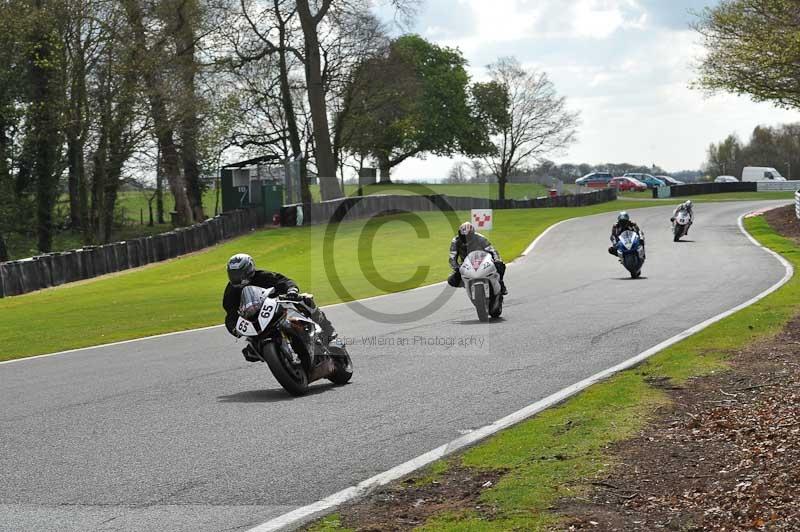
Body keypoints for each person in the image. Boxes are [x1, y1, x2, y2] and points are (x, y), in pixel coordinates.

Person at [222, 254, 337, 362]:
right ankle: (275, 355)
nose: (236, 278)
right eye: (233, 275)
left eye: (239, 274)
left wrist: (291, 290)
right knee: (250, 351)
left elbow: (284, 281)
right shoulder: (231, 291)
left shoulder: (262, 276)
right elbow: (231, 314)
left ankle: (327, 329)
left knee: (306, 300)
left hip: (277, 306)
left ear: (249, 269)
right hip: (256, 319)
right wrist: (234, 328)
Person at [447, 222, 508, 295]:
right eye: (463, 237)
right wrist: (456, 267)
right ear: (460, 234)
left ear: (472, 234)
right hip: (466, 265)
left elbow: (492, 250)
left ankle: (501, 283)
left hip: (483, 262)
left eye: (468, 236)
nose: (466, 239)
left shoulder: (480, 238)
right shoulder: (455, 241)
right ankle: (467, 285)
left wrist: (497, 260)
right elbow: (452, 257)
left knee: (500, 266)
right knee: (452, 279)